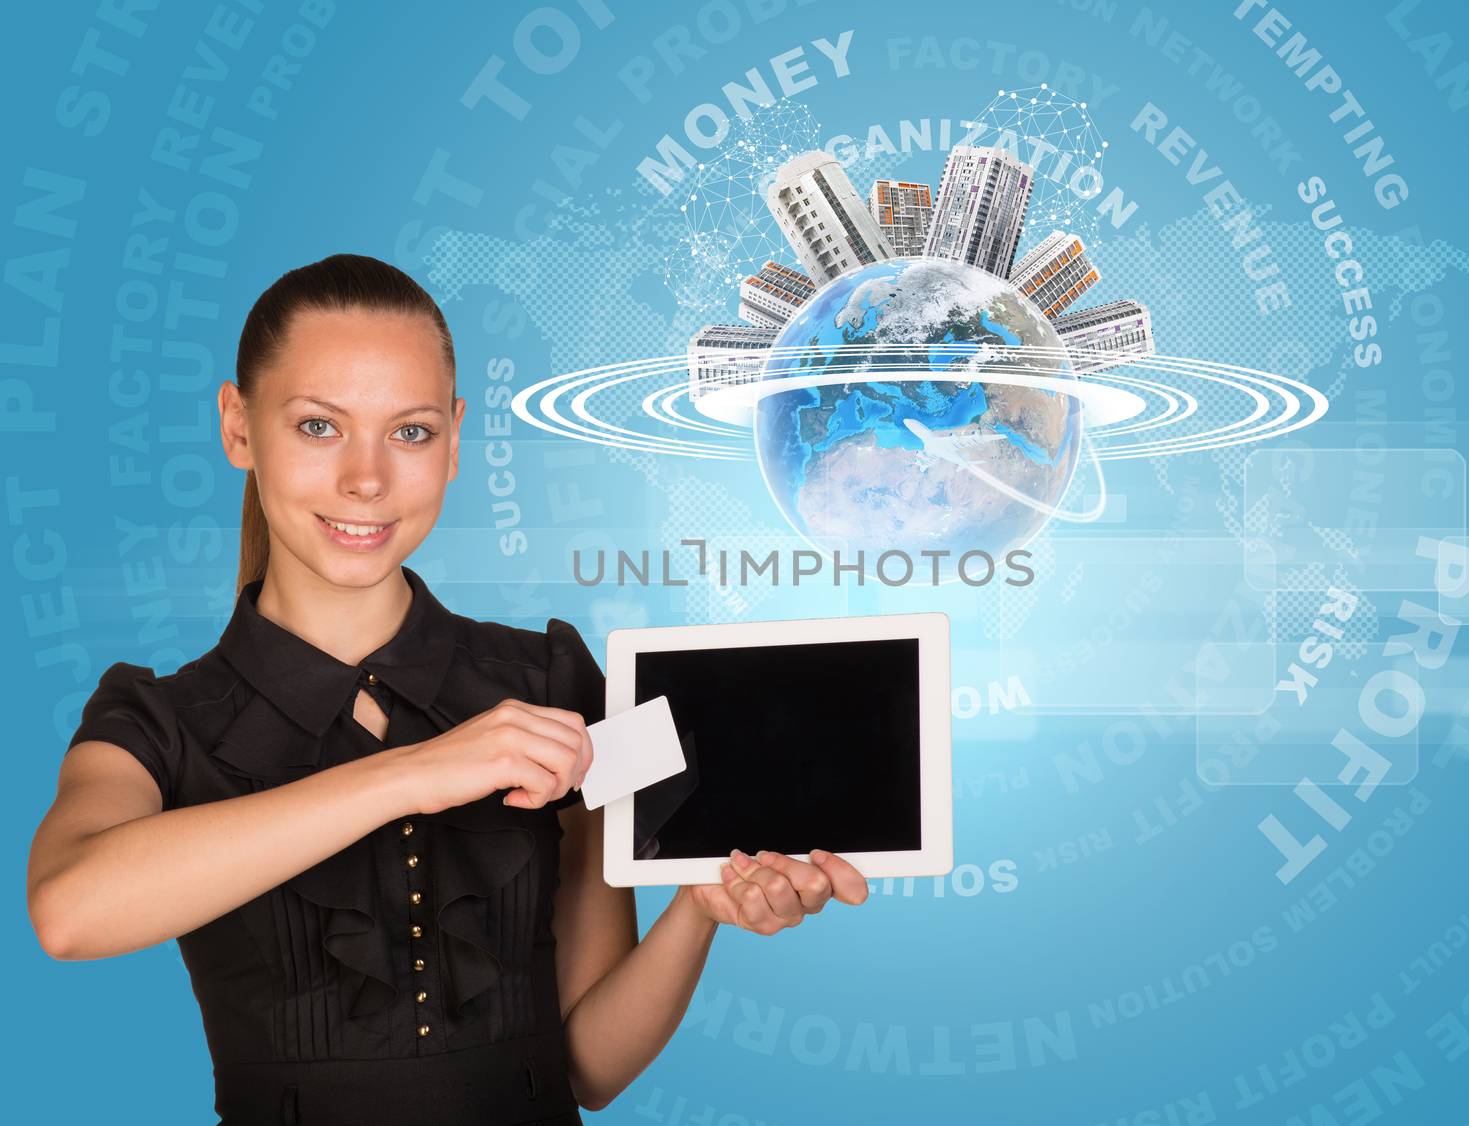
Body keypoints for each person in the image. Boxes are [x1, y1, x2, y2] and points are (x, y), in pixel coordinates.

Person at [24, 253, 869, 1125]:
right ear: (238, 426)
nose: (367, 479)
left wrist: (696, 912)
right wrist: (416, 773)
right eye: (319, 426)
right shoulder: (156, 720)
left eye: (412, 431)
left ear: (456, 438)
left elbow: (589, 1070)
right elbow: (69, 911)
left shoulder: (551, 683)